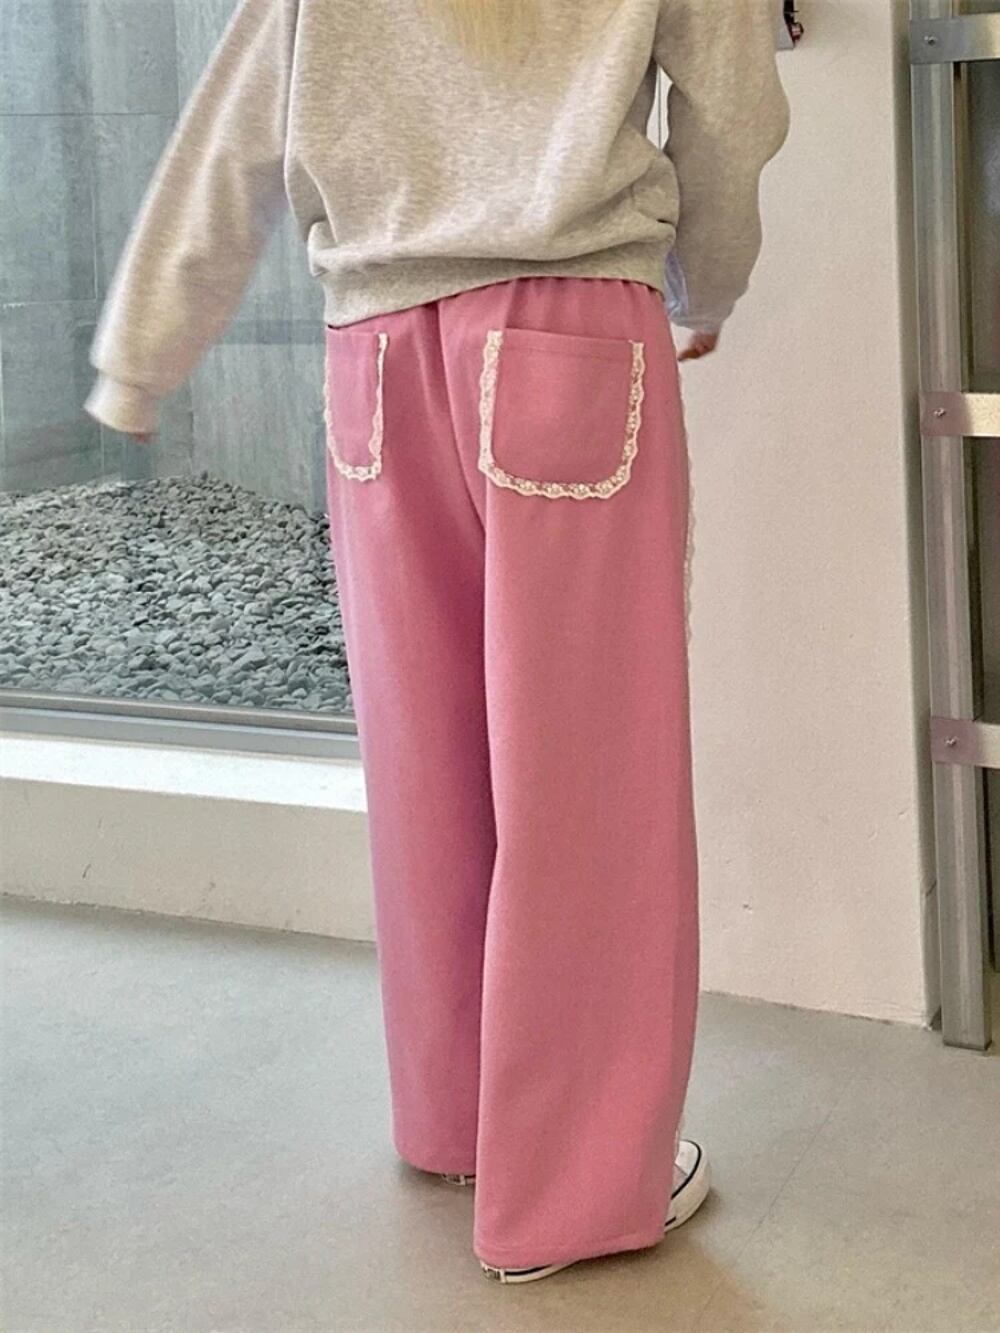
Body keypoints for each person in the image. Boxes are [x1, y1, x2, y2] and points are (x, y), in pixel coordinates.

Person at [85, 0, 789, 1286]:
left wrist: (140, 358)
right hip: (572, 325)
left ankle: (456, 1120)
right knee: (588, 781)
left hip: (375, 348)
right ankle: (571, 1195)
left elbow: (233, 131)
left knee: (428, 758)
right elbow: (731, 112)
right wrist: (708, 279)